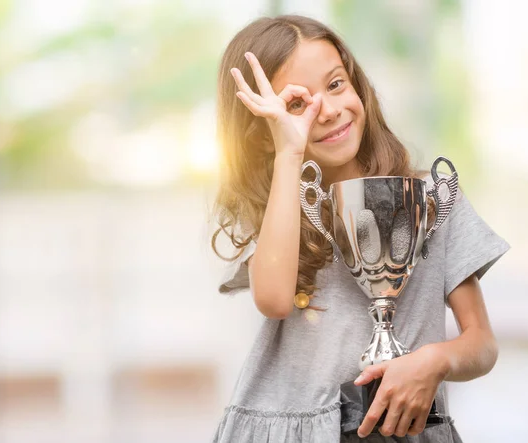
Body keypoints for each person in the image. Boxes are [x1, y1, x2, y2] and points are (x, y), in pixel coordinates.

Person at [209, 14, 510, 443]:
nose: (328, 111)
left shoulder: (432, 201)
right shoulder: (286, 209)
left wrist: (434, 361)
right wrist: (289, 153)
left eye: (335, 84)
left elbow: (482, 344)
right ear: (262, 134)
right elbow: (274, 300)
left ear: (357, 85)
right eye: (297, 104)